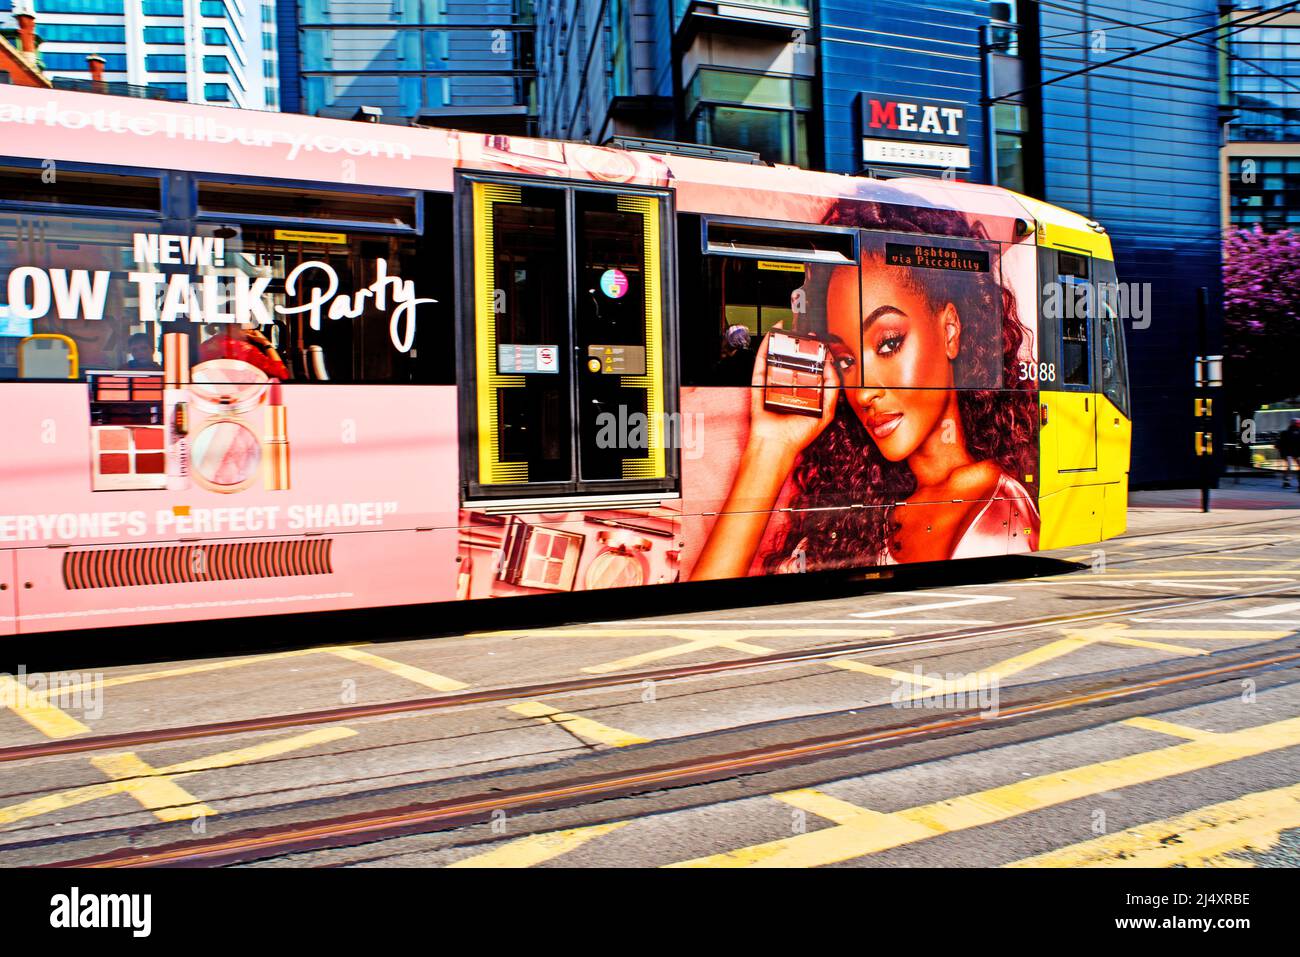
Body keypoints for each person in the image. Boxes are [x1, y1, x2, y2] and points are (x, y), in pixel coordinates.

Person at [691, 197, 1039, 580]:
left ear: (949, 330)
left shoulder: (995, 510)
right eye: (845, 360)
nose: (862, 392)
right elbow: (703, 610)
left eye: (888, 342)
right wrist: (771, 447)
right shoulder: (865, 507)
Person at [199, 322, 291, 380]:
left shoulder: (204, 346)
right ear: (233, 326)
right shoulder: (245, 349)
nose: (251, 329)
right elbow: (282, 373)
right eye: (248, 324)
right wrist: (265, 342)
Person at [1278, 418, 1300, 489]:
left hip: (1295, 452)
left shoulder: (1298, 432)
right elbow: (1280, 444)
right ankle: (1286, 482)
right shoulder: (1285, 433)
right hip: (1288, 452)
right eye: (1297, 423)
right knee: (1289, 467)